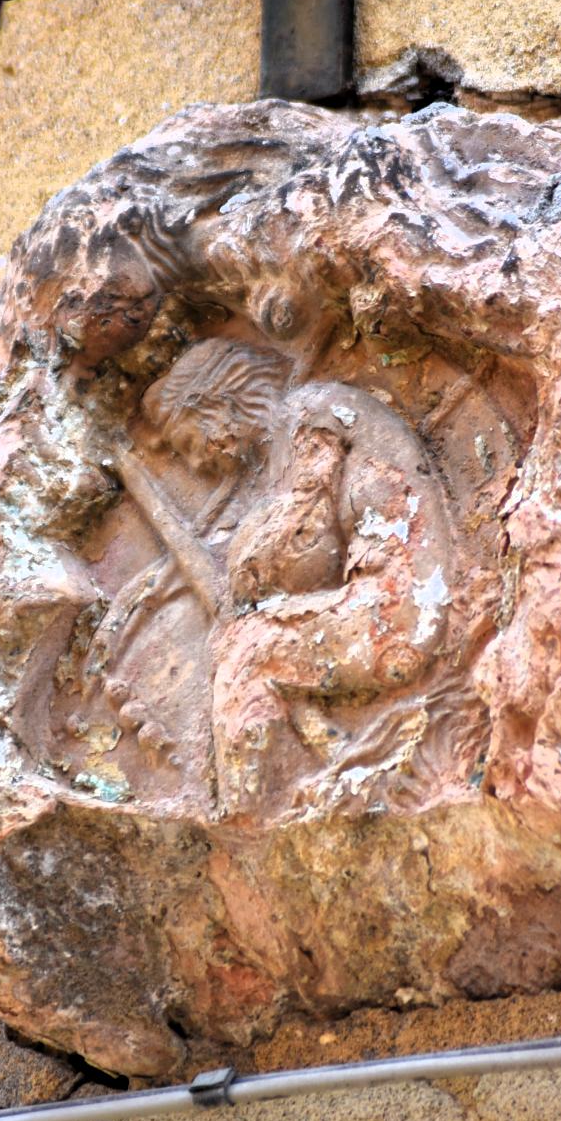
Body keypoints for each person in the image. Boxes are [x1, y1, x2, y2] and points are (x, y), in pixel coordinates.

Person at [108, 337, 455, 821]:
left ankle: (244, 813)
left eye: (189, 443)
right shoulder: (284, 454)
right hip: (376, 608)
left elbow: (297, 555)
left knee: (249, 650)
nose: (196, 465)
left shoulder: (313, 418)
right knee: (242, 638)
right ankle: (316, 759)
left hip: (398, 611)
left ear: (219, 407)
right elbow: (244, 595)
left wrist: (246, 570)